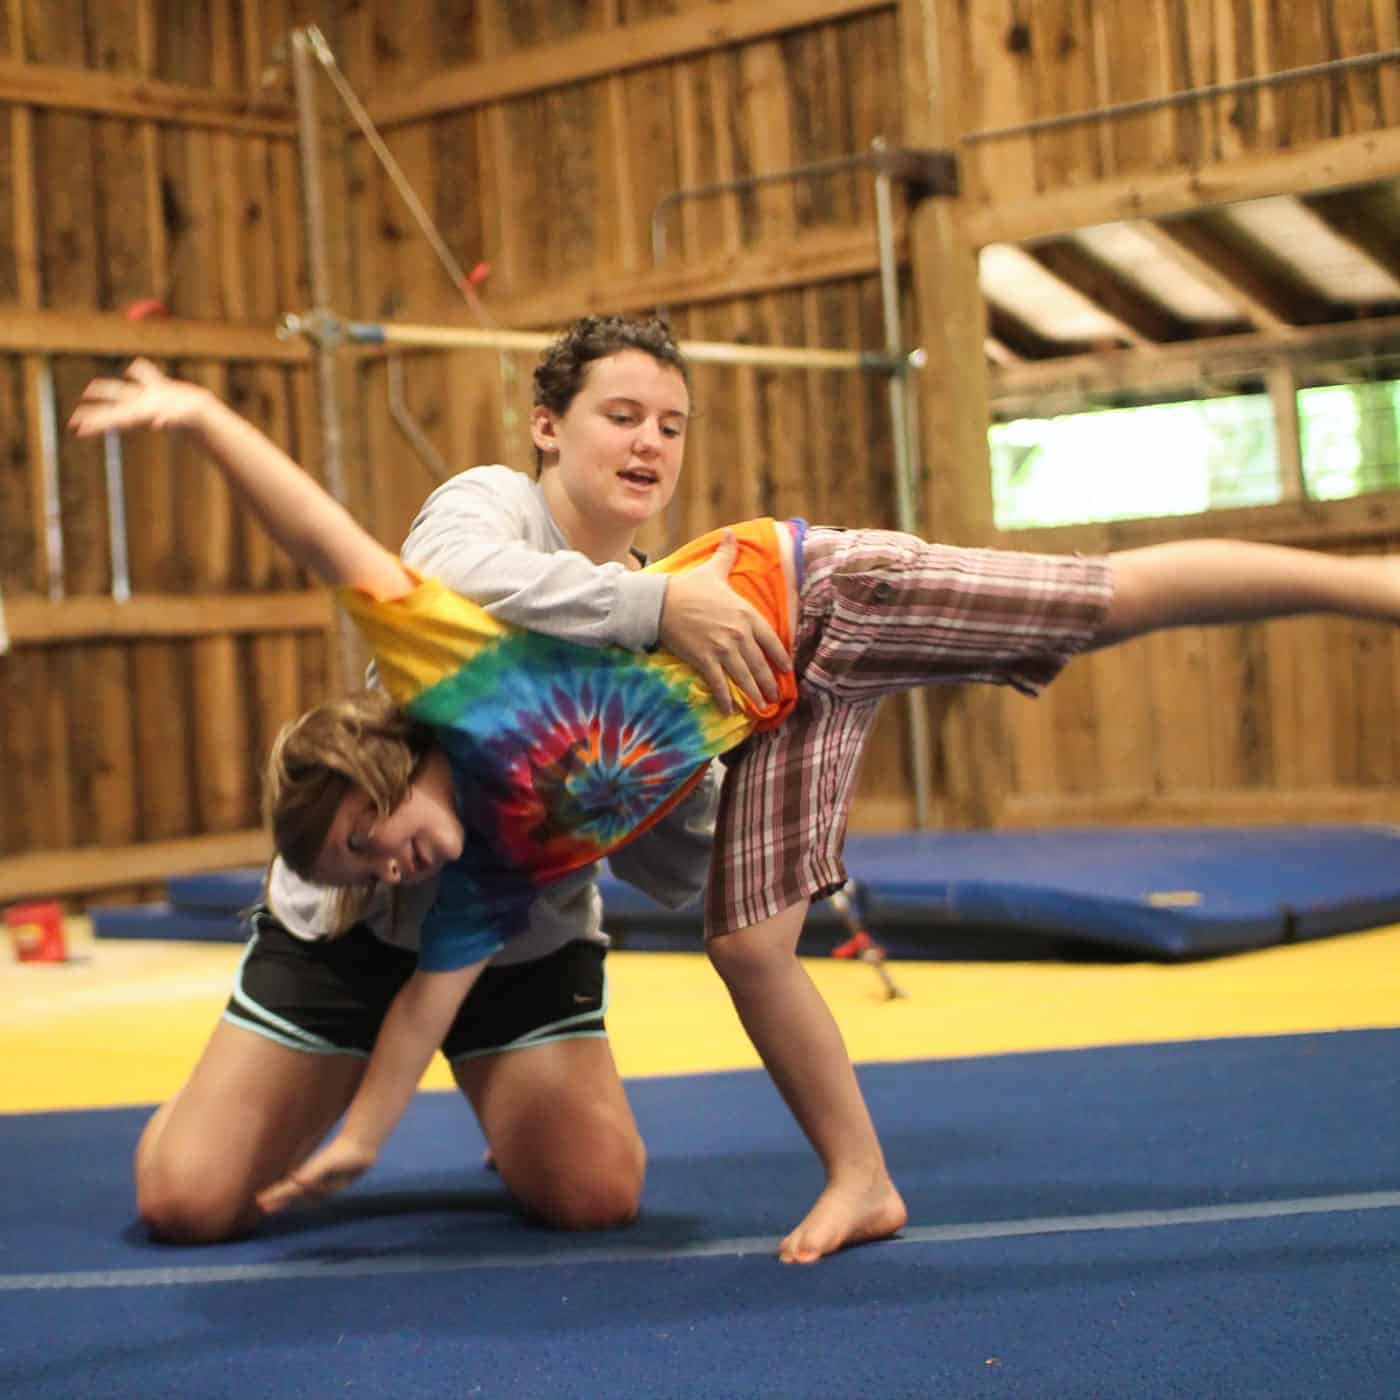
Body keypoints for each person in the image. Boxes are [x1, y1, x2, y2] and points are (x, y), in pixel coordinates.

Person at [73, 340, 1400, 1265]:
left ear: (390, 764)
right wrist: (362, 1136)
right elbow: (425, 999)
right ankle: (864, 1177)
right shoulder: (485, 858)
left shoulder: (470, 671)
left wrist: (200, 419)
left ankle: (1369, 583)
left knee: (1106, 601)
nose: (392, 864)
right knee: (746, 943)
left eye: (375, 842)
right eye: (622, 418)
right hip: (773, 723)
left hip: (816, 598)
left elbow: (327, 538)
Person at [116, 316, 789, 1246]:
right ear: (548, 424)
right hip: (357, 920)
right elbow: (440, 570)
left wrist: (694, 762)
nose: (650, 443)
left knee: (595, 1196)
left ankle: (502, 1091)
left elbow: (672, 868)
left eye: (672, 426)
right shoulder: (494, 509)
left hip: (514, 935)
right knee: (185, 1203)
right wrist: (652, 603)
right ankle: (316, 1067)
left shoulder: (685, 641)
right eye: (622, 414)